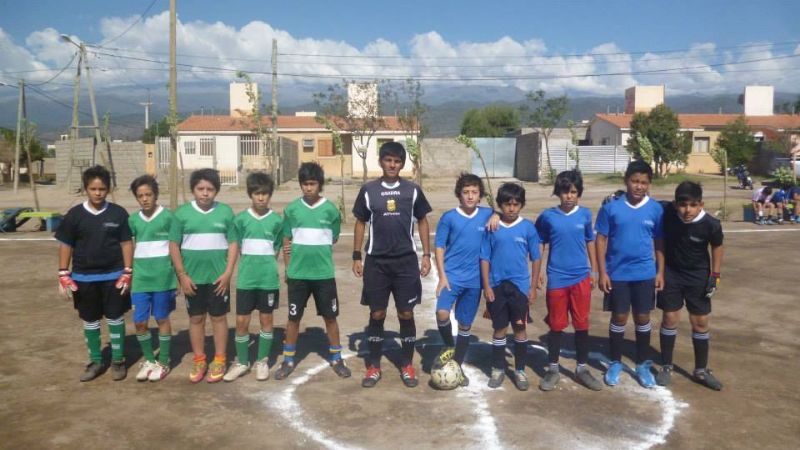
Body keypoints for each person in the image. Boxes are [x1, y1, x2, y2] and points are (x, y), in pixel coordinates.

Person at [353, 141, 432, 388]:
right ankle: (374, 366)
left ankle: (407, 364)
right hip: (376, 262)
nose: (392, 165)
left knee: (405, 313)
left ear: (402, 164)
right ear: (381, 161)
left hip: (406, 262)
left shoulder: (413, 190)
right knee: (376, 313)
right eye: (388, 160)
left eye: (397, 161)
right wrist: (357, 255)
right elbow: (360, 222)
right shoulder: (368, 190)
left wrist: (426, 255)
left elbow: (422, 221)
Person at [274, 162, 351, 380]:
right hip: (298, 275)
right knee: (293, 318)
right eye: (305, 184)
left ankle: (336, 358)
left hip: (323, 274)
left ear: (320, 185)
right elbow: (286, 239)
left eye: (313, 184)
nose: (309, 188)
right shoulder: (291, 209)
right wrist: (288, 268)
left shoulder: (330, 210)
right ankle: (288, 359)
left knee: (330, 317)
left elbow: (333, 237)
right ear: (300, 185)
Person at [56, 165, 132, 382]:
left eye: (102, 189)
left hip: (114, 277)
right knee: (90, 320)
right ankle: (96, 360)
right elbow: (66, 244)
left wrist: (128, 271)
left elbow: (126, 242)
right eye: (93, 189)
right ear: (86, 189)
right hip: (83, 278)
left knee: (116, 318)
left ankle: (118, 360)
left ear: (108, 189)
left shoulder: (118, 213)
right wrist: (63, 273)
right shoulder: (74, 215)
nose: (98, 193)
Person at [595, 160, 664, 388]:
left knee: (643, 318)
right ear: (626, 181)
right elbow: (601, 239)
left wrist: (660, 271)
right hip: (618, 274)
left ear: (649, 184)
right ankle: (615, 361)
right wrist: (602, 272)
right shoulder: (611, 208)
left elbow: (659, 242)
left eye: (644, 182)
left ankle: (642, 364)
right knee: (619, 317)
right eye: (635, 181)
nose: (639, 186)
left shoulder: (655, 209)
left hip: (644, 273)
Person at [534, 170, 603, 391]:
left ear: (579, 193)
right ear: (558, 193)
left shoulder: (584, 214)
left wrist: (594, 271)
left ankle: (581, 368)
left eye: (573, 192)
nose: (569, 196)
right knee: (556, 325)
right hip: (557, 278)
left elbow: (590, 241)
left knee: (581, 324)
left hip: (581, 277)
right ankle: (553, 369)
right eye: (565, 192)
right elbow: (540, 242)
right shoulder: (547, 216)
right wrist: (540, 270)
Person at [171, 169, 238, 383]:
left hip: (218, 280)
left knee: (219, 318)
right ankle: (199, 359)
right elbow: (173, 245)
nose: (205, 193)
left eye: (210, 189)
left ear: (216, 191)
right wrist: (182, 275)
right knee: (196, 318)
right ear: (193, 190)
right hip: (193, 279)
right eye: (201, 189)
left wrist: (228, 273)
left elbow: (233, 243)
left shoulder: (226, 212)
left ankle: (220, 359)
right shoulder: (181, 214)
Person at [656, 181, 725, 390]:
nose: (687, 210)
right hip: (672, 274)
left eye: (693, 205)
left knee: (700, 322)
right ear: (675, 204)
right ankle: (666, 365)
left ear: (701, 204)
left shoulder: (711, 224)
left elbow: (717, 246)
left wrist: (715, 275)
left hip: (698, 276)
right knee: (669, 318)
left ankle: (701, 370)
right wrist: (619, 196)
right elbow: (647, 201)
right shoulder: (668, 214)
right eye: (683, 205)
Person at [433, 173, 495, 386]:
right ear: (459, 194)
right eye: (466, 192)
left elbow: (503, 216)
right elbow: (439, 246)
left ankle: (457, 366)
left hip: (474, 281)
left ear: (480, 196)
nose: (470, 196)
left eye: (474, 192)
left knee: (465, 324)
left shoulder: (487, 214)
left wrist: (496, 216)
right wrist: (442, 276)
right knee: (442, 312)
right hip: (451, 277)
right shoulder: (449, 217)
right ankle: (449, 345)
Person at [480, 183, 542, 390]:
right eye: (507, 204)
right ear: (500, 205)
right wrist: (486, 286)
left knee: (520, 327)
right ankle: (497, 369)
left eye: (516, 204)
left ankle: (520, 370)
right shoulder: (492, 227)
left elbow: (536, 257)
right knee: (499, 328)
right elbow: (485, 258)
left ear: (522, 205)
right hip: (497, 285)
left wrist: (532, 287)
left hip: (520, 287)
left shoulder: (528, 228)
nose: (512, 208)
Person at [224, 172, 283, 382]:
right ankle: (242, 362)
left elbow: (276, 248)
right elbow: (235, 246)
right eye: (257, 193)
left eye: (265, 194)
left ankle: (262, 361)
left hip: (268, 280)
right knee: (241, 321)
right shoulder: (240, 220)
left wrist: (267, 266)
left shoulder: (277, 221)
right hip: (246, 279)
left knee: (266, 319)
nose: (261, 198)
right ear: (250, 194)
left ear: (270, 195)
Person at [128, 175, 178, 382]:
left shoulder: (168, 217)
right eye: (140, 196)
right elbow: (128, 247)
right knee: (139, 321)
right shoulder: (132, 220)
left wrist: (178, 277)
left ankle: (164, 361)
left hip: (163, 279)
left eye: (148, 194)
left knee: (162, 318)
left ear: (156, 195)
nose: (145, 199)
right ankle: (149, 359)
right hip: (140, 280)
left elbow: (176, 248)